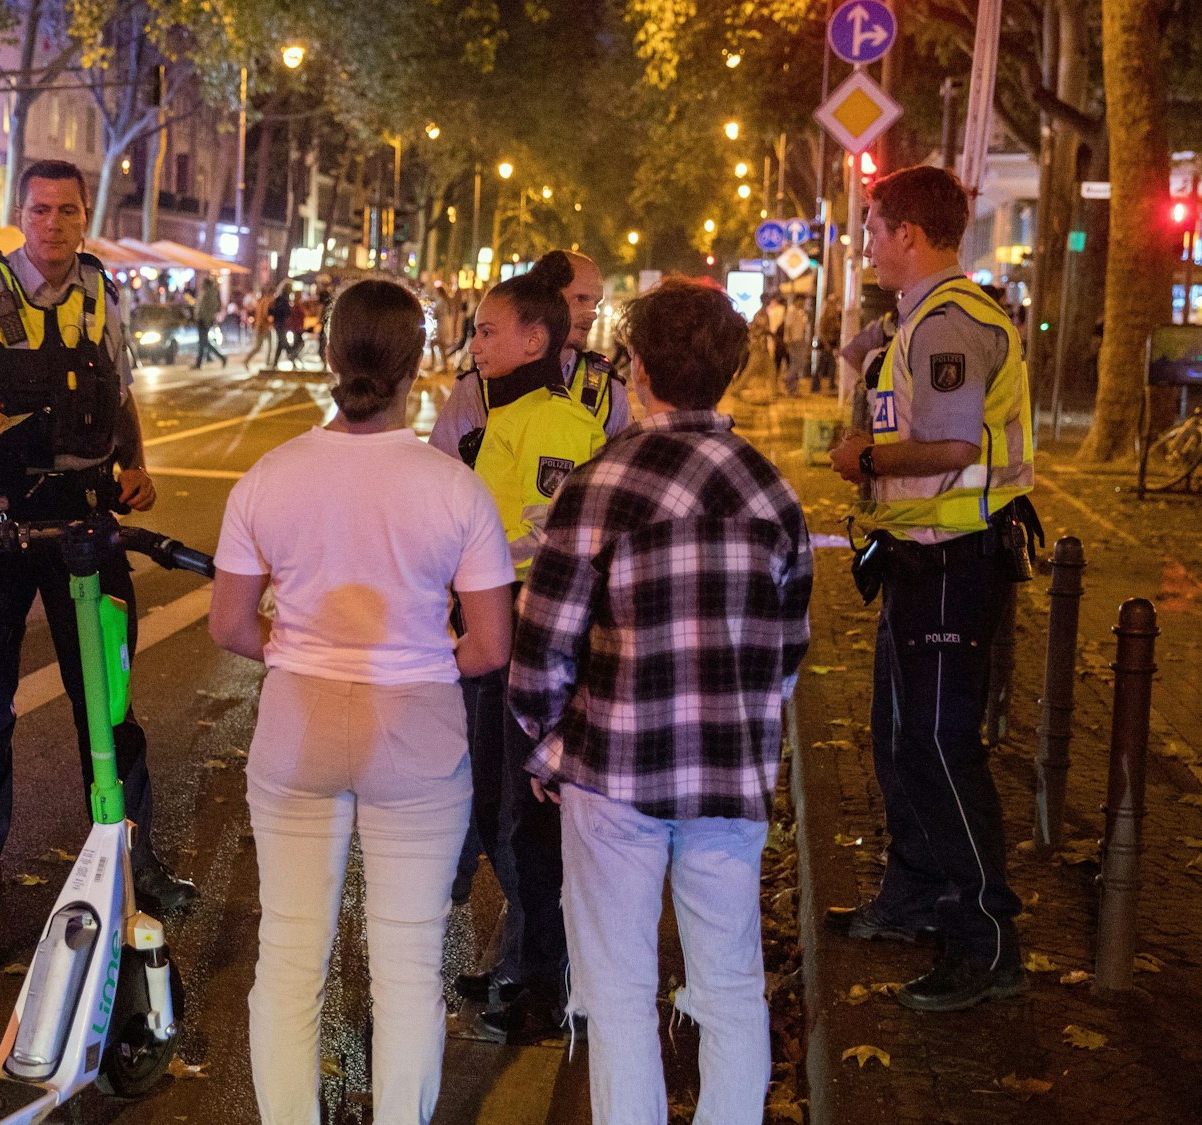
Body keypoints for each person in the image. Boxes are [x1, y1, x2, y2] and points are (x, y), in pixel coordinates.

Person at [207, 278, 515, 1125]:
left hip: (298, 724)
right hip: (416, 727)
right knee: (410, 962)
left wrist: (298, 649)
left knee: (290, 952)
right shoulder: (454, 488)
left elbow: (230, 623)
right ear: (420, 363)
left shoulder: (269, 477)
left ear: (324, 352)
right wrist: (418, 657)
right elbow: (490, 645)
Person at [507, 277, 811, 1125]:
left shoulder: (603, 481)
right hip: (728, 781)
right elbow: (789, 651)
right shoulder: (772, 490)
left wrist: (546, 738)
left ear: (636, 368)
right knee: (731, 988)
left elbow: (543, 643)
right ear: (733, 371)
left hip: (613, 772)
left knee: (618, 994)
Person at [0, 158, 195, 914]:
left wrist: (136, 464)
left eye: (67, 211)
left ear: (83, 218)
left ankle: (131, 849)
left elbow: (121, 390)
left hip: (83, 521)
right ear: (20, 213)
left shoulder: (103, 292)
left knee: (107, 694)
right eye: (39, 211)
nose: (53, 225)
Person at [825, 165, 1038, 1012]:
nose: (866, 243)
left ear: (909, 235)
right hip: (920, 557)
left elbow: (950, 449)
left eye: (873, 228)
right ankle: (912, 896)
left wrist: (864, 461)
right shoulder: (916, 321)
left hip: (955, 559)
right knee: (900, 737)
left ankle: (985, 939)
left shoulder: (950, 323)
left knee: (944, 747)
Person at [430, 263, 610, 1045]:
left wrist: (477, 560)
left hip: (533, 639)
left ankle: (547, 973)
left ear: (537, 338)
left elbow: (554, 537)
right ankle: (531, 957)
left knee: (522, 817)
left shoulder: (561, 424)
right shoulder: (503, 413)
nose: (475, 343)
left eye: (487, 329)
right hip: (491, 628)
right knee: (491, 805)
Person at [430, 250, 630, 461]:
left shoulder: (609, 392)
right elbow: (440, 474)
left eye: (595, 304)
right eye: (581, 299)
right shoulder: (476, 388)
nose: (592, 313)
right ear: (543, 298)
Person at [193, 275, 227, 369]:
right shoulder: (205, 293)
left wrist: (205, 318)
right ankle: (200, 362)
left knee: (203, 342)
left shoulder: (210, 293)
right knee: (203, 342)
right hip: (202, 319)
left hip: (204, 320)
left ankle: (220, 358)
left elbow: (209, 308)